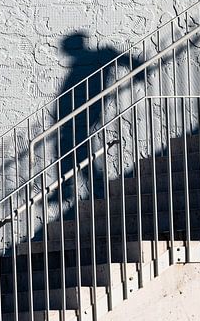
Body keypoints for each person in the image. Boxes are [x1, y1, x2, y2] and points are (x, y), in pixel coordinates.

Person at [53, 32, 146, 207]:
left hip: (87, 111)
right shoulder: (81, 63)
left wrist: (138, 69)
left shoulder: (100, 54)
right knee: (73, 148)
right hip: (78, 113)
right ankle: (91, 187)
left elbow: (119, 57)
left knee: (70, 147)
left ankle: (78, 188)